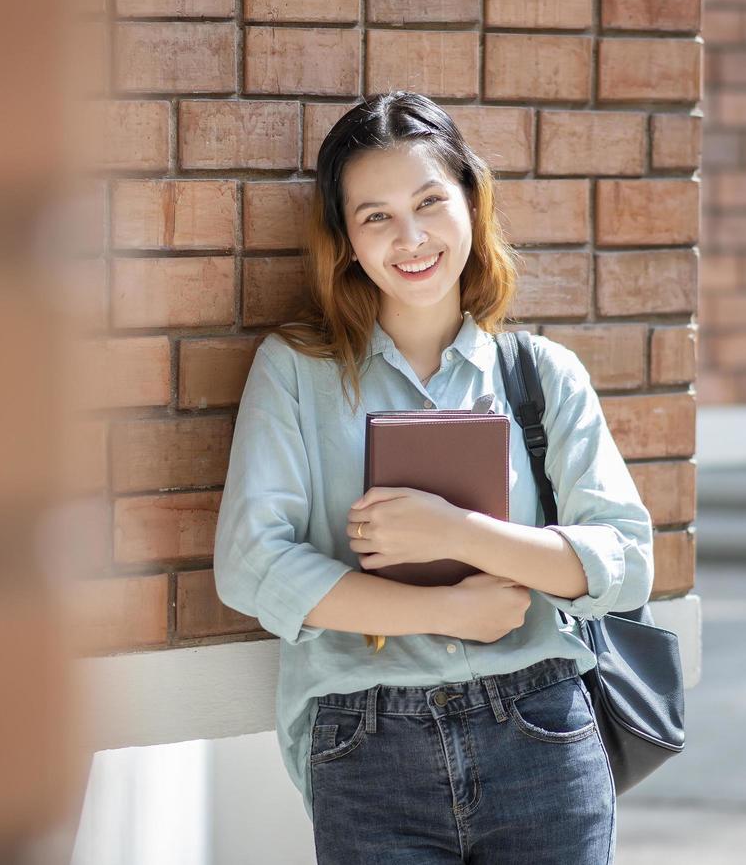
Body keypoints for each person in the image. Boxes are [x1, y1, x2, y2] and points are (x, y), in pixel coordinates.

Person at [212, 91, 655, 864]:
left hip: (541, 732)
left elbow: (625, 563)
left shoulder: (541, 375)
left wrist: (459, 534)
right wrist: (446, 612)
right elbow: (252, 565)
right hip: (367, 745)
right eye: (375, 215)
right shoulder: (295, 372)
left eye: (428, 202)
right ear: (345, 239)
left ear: (471, 205)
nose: (409, 238)